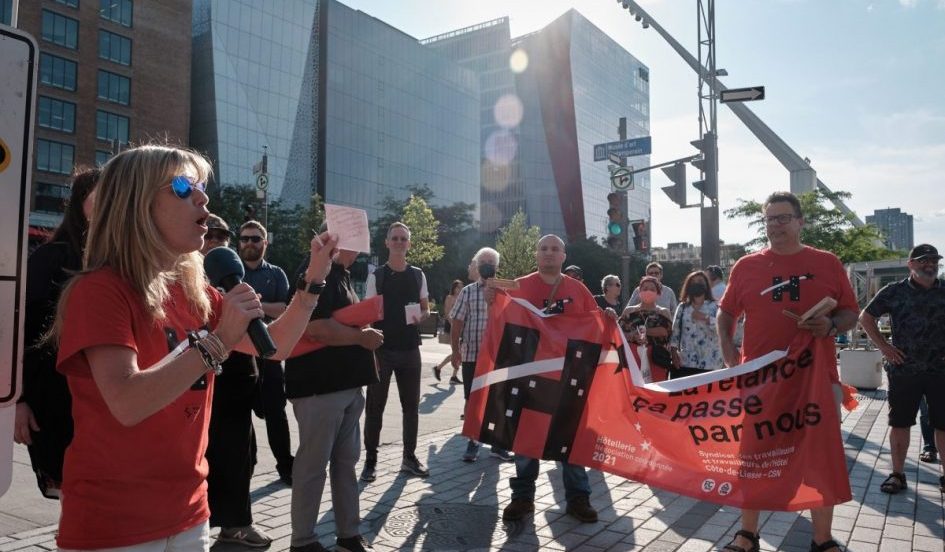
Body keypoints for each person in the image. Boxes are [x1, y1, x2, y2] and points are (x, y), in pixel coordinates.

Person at [50, 144, 337, 550]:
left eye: (201, 186)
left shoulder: (194, 290)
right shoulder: (100, 290)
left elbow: (278, 347)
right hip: (115, 524)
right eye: (183, 187)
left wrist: (313, 279)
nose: (202, 196)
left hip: (190, 514)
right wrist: (218, 342)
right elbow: (127, 401)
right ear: (137, 203)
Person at [717, 191, 858, 552]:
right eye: (769, 219)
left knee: (819, 457)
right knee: (754, 456)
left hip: (815, 378)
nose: (775, 225)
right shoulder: (746, 266)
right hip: (761, 382)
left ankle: (822, 539)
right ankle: (747, 534)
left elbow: (849, 312)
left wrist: (829, 325)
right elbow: (726, 312)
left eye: (783, 218)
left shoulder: (826, 262)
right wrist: (729, 350)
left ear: (800, 221)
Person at [285, 245, 384, 552]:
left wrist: (360, 328)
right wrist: (360, 336)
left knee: (345, 464)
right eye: (355, 244)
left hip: (345, 387)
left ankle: (348, 534)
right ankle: (303, 541)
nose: (359, 251)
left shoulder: (340, 272)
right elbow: (316, 329)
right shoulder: (316, 270)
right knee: (313, 466)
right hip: (321, 388)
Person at [499, 234, 600, 524]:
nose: (549, 253)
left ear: (563, 256)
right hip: (528, 373)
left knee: (569, 438)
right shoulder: (518, 287)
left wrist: (606, 315)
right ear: (536, 254)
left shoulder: (578, 290)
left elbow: (593, 325)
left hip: (567, 377)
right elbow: (502, 324)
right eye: (543, 249)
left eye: (555, 249)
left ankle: (578, 498)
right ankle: (523, 498)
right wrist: (491, 299)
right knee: (525, 439)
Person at [14, 167, 99, 500]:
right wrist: (16, 400)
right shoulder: (53, 257)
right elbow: (20, 330)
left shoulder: (118, 260)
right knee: (78, 506)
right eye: (100, 196)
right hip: (55, 403)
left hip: (106, 404)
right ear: (80, 203)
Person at [203, 220, 273, 546]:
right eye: (210, 235)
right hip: (204, 386)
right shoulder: (189, 278)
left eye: (222, 236)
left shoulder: (235, 280)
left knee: (243, 458)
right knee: (210, 460)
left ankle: (236, 525)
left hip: (240, 384)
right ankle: (206, 524)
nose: (216, 241)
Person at [859, 243, 945, 495]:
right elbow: (866, 316)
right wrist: (884, 347)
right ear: (911, 264)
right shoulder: (894, 291)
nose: (929, 264)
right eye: (922, 260)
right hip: (903, 369)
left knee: (943, 425)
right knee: (900, 424)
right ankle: (897, 474)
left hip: (940, 370)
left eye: (933, 260)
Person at [361, 222, 431, 482]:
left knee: (411, 407)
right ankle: (370, 462)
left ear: (409, 244)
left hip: (411, 349)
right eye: (395, 238)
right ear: (387, 243)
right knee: (375, 407)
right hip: (382, 350)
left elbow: (425, 307)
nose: (400, 242)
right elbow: (368, 313)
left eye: (404, 239)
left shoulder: (417, 275)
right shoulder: (376, 276)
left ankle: (409, 458)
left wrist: (421, 316)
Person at [238, 220, 295, 485]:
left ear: (265, 242)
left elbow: (284, 308)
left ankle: (286, 466)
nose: (249, 243)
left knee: (276, 414)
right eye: (245, 239)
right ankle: (244, 470)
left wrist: (256, 304)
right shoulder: (231, 272)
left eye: (255, 239)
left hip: (269, 354)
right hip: (236, 357)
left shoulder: (277, 273)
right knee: (239, 419)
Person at [449, 247, 512, 463]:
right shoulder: (467, 291)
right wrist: (455, 350)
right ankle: (473, 441)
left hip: (499, 356)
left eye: (490, 261)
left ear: (496, 266)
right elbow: (457, 323)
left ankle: (497, 443)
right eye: (482, 261)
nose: (487, 264)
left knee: (499, 399)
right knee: (472, 399)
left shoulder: (506, 290)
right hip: (472, 354)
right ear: (477, 265)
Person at [619, 276, 674, 382]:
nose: (648, 291)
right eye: (644, 289)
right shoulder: (629, 311)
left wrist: (644, 331)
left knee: (657, 388)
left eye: (652, 289)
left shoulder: (664, 312)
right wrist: (632, 335)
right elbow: (619, 334)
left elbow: (667, 332)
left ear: (658, 294)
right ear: (639, 292)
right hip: (633, 356)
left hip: (657, 357)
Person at [669, 271, 723, 376]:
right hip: (686, 362)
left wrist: (706, 318)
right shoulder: (682, 307)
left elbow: (723, 329)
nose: (697, 284)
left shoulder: (716, 306)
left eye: (700, 281)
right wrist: (673, 353)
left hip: (711, 363)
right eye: (693, 282)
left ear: (706, 285)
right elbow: (675, 332)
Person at [433, 279, 464, 384]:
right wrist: (454, 325)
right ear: (454, 288)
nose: (460, 289)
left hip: (461, 327)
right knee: (457, 352)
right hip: (452, 326)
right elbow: (447, 313)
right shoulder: (450, 298)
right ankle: (439, 369)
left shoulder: (462, 298)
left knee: (459, 352)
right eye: (458, 287)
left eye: (461, 287)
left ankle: (450, 374)